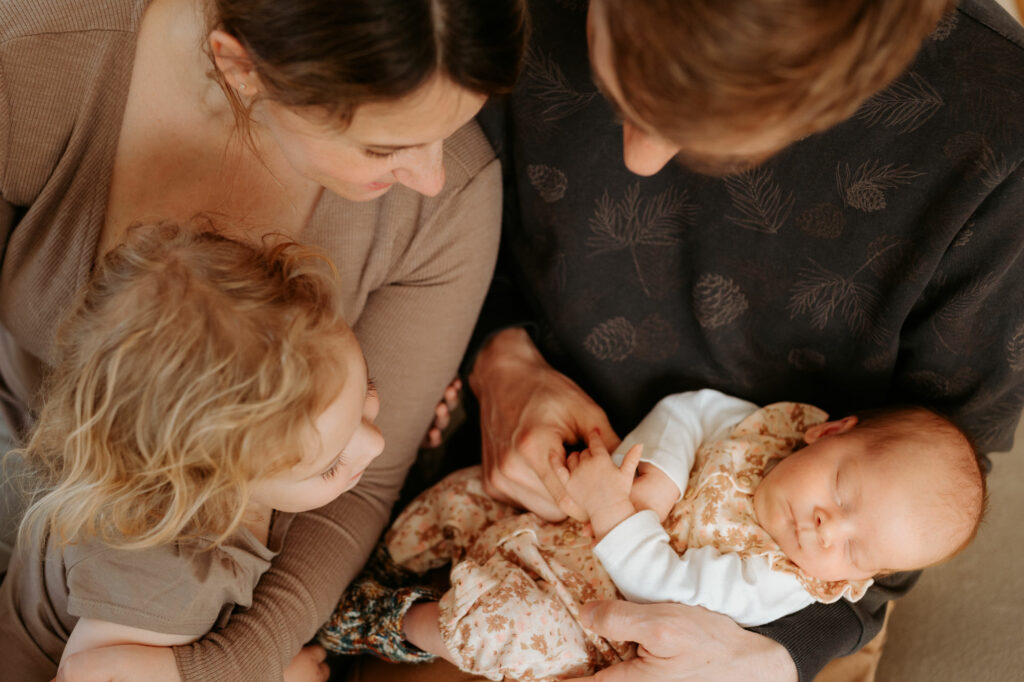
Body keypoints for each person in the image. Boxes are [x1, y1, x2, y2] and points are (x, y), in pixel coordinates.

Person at [346, 0, 1024, 680]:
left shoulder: (999, 139)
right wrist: (502, 357)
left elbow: (931, 475)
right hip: (492, 457)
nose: (638, 159)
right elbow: (432, 212)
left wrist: (774, 659)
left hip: (743, 630)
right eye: (619, 90)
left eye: (718, 136)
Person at [0, 0, 525, 679]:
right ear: (238, 65)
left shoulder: (446, 206)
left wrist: (248, 657)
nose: (434, 178)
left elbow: (362, 493)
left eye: (454, 124)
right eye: (383, 146)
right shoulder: (31, 63)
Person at [321, 390, 985, 680]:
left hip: (584, 609)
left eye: (853, 548)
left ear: (854, 579)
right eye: (841, 494)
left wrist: (616, 509)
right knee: (471, 494)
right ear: (829, 431)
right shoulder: (776, 425)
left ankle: (389, 623)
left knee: (506, 630)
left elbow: (667, 585)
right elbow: (692, 410)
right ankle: (377, 555)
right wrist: (662, 474)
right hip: (569, 514)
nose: (825, 526)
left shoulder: (780, 581)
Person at [0, 224, 388, 680]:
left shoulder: (206, 471)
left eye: (367, 390)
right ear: (211, 481)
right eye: (330, 466)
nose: (377, 444)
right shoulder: (168, 581)